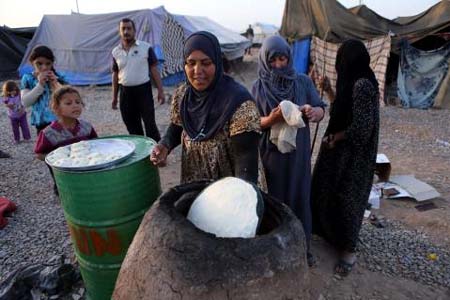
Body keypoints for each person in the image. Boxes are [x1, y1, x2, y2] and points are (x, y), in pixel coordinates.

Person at [251, 35, 326, 266]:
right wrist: (271, 118)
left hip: (298, 155)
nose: (279, 65)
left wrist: (314, 112)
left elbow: (321, 109)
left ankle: (303, 249)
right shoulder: (258, 87)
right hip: (271, 157)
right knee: (274, 201)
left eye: (283, 59)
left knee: (299, 197)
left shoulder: (302, 82)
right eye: (273, 60)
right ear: (265, 60)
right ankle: (275, 251)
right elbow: (252, 123)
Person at [150, 31, 260, 184]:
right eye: (191, 63)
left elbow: (245, 161)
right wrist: (165, 144)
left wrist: (240, 200)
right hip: (195, 181)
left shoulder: (240, 105)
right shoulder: (183, 95)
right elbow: (177, 125)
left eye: (206, 63)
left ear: (217, 62)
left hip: (232, 188)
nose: (197, 71)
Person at [311, 39, 380, 276]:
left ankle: (348, 250)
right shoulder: (351, 80)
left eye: (341, 59)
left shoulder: (362, 84)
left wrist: (335, 138)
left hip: (352, 154)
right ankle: (329, 234)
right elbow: (341, 108)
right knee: (325, 189)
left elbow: (361, 128)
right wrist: (330, 89)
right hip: (338, 148)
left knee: (347, 197)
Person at [35, 86, 98, 193]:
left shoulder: (86, 127)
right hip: (64, 179)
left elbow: (97, 144)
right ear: (56, 108)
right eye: (68, 103)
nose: (75, 106)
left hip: (87, 174)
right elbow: (39, 154)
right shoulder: (49, 133)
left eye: (78, 102)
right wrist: (59, 157)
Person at [112, 18, 165, 141]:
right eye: (123, 29)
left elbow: (154, 70)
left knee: (150, 125)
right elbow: (115, 74)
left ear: (134, 30)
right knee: (132, 127)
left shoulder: (145, 48)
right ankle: (142, 154)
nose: (126, 31)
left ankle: (157, 154)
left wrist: (160, 91)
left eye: (129, 28)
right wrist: (114, 97)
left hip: (143, 91)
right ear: (119, 31)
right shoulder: (115, 52)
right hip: (125, 93)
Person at [21, 45, 66, 133]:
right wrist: (40, 85)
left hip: (61, 120)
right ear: (32, 62)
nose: (44, 67)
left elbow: (67, 97)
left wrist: (55, 83)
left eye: (48, 63)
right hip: (42, 124)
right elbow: (25, 102)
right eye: (39, 63)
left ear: (52, 63)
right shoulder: (28, 78)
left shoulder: (59, 77)